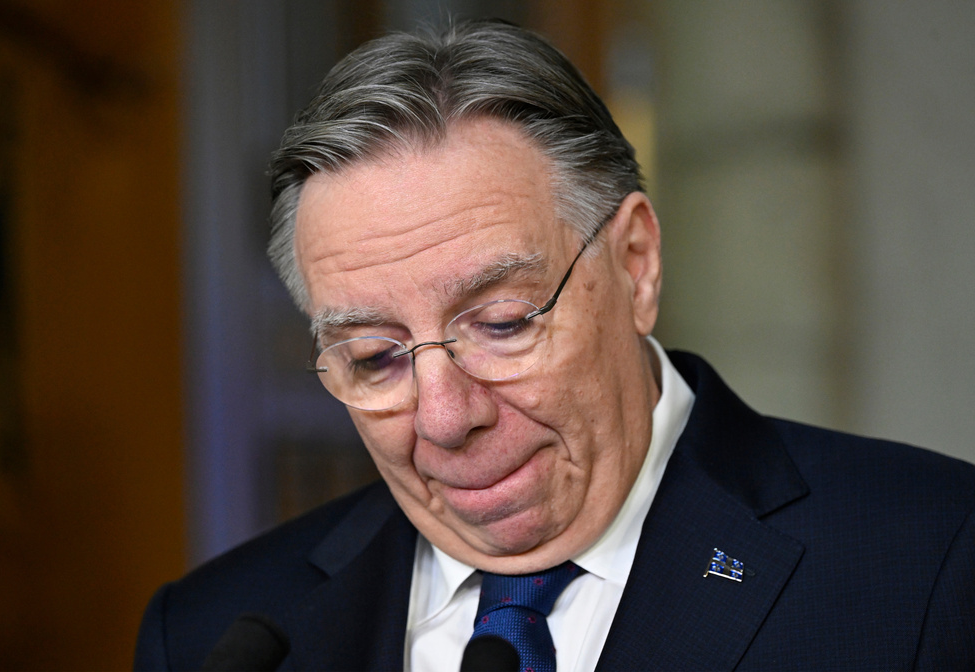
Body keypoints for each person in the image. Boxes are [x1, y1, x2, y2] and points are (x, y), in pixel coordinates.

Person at [135, 19, 974, 671]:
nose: (445, 417)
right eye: (376, 357)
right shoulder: (214, 636)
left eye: (501, 323)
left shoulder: (931, 561)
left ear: (635, 265)